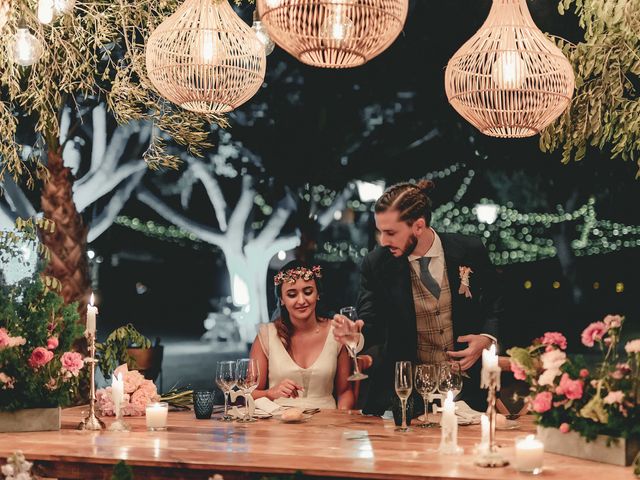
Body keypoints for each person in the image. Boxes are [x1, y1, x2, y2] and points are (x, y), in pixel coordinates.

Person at [333, 180, 503, 414]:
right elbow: (369, 318)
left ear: (419, 226)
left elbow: (496, 300)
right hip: (408, 396)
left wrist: (486, 337)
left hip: (467, 391)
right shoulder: (377, 264)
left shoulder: (469, 249)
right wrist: (356, 334)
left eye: (391, 232)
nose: (383, 241)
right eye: (380, 231)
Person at [250, 261, 355, 410]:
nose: (301, 301)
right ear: (282, 300)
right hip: (280, 425)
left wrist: (340, 423)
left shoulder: (336, 332)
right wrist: (270, 393)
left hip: (327, 426)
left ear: (317, 294)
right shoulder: (266, 335)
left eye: (308, 292)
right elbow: (249, 393)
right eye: (292, 294)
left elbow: (345, 392)